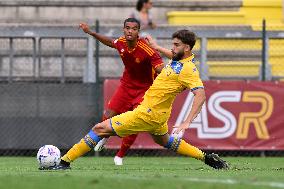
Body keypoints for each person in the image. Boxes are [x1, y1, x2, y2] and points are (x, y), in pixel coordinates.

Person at [51, 29, 229, 170]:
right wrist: (157, 47)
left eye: (176, 45)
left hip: (148, 114)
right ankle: (206, 158)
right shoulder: (178, 61)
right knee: (164, 141)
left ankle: (64, 161)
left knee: (99, 129)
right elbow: (172, 56)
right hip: (158, 116)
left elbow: (201, 95)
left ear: (187, 48)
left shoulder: (189, 69)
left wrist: (186, 123)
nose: (173, 48)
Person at [79, 18, 164, 166]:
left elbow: (160, 68)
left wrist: (172, 76)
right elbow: (110, 42)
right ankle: (104, 137)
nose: (130, 31)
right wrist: (91, 32)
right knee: (108, 115)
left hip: (144, 90)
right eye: (127, 28)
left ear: (138, 32)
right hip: (126, 86)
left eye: (134, 28)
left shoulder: (147, 49)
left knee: (135, 121)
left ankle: (120, 155)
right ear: (124, 29)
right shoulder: (122, 42)